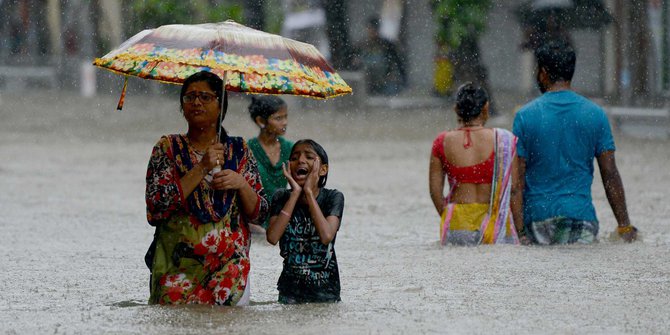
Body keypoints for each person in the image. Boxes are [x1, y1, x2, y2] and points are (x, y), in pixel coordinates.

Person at [144, 71, 268, 305]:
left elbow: (261, 213)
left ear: (221, 106)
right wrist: (201, 167)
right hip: (176, 268)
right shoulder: (167, 148)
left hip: (230, 270)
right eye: (189, 97)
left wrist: (241, 184)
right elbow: (156, 208)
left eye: (205, 97)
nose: (196, 102)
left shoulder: (239, 150)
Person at [513, 40, 637, 244]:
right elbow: (610, 174)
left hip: (538, 222)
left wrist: (519, 234)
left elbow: (516, 184)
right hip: (582, 220)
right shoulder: (595, 115)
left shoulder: (525, 116)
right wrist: (624, 226)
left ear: (543, 73)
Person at [429, 83, 525, 246]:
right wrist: (521, 231)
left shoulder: (442, 142)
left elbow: (434, 191)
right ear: (486, 107)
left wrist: (448, 216)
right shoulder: (504, 140)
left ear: (456, 109)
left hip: (458, 222)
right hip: (496, 222)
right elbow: (515, 189)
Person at [266, 139, 345, 303]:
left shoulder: (333, 197)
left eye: (309, 157)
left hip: (325, 293)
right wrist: (295, 194)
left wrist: (308, 192)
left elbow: (326, 235)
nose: (300, 160)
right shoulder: (281, 197)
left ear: (323, 169)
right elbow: (272, 237)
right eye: (294, 158)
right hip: (289, 293)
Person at [247, 96, 293, 231]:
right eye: (278, 118)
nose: (285, 123)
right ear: (261, 121)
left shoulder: (291, 149)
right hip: (254, 222)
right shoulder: (247, 150)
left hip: (280, 217)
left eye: (285, 117)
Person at [353, 16, 406, 96]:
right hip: (367, 83)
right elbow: (354, 65)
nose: (372, 32)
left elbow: (397, 64)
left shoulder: (387, 45)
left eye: (374, 29)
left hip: (384, 83)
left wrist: (394, 76)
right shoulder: (361, 46)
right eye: (370, 29)